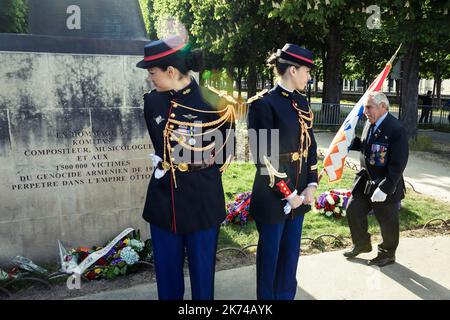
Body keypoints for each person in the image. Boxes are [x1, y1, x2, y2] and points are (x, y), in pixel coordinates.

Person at [136, 35, 235, 300]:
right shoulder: (152, 102)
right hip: (163, 202)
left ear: (170, 71)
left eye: (152, 72)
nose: (150, 78)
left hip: (202, 200)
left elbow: (227, 150)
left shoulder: (215, 103)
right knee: (167, 280)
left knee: (203, 280)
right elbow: (161, 149)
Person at [247, 43, 318, 300]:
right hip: (274, 197)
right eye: (306, 71)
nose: (309, 77)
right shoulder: (263, 105)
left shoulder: (301, 102)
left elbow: (310, 145)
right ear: (292, 70)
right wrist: (288, 194)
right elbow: (263, 158)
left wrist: (312, 184)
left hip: (299, 193)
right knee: (270, 262)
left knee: (289, 260)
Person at [344, 91, 409, 267]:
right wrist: (351, 142)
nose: (365, 111)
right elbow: (367, 146)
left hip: (385, 183)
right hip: (365, 181)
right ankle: (362, 243)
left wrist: (386, 187)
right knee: (353, 210)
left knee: (387, 222)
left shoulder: (396, 129)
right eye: (365, 107)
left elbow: (399, 163)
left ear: (382, 107)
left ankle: (387, 253)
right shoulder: (370, 122)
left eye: (369, 107)